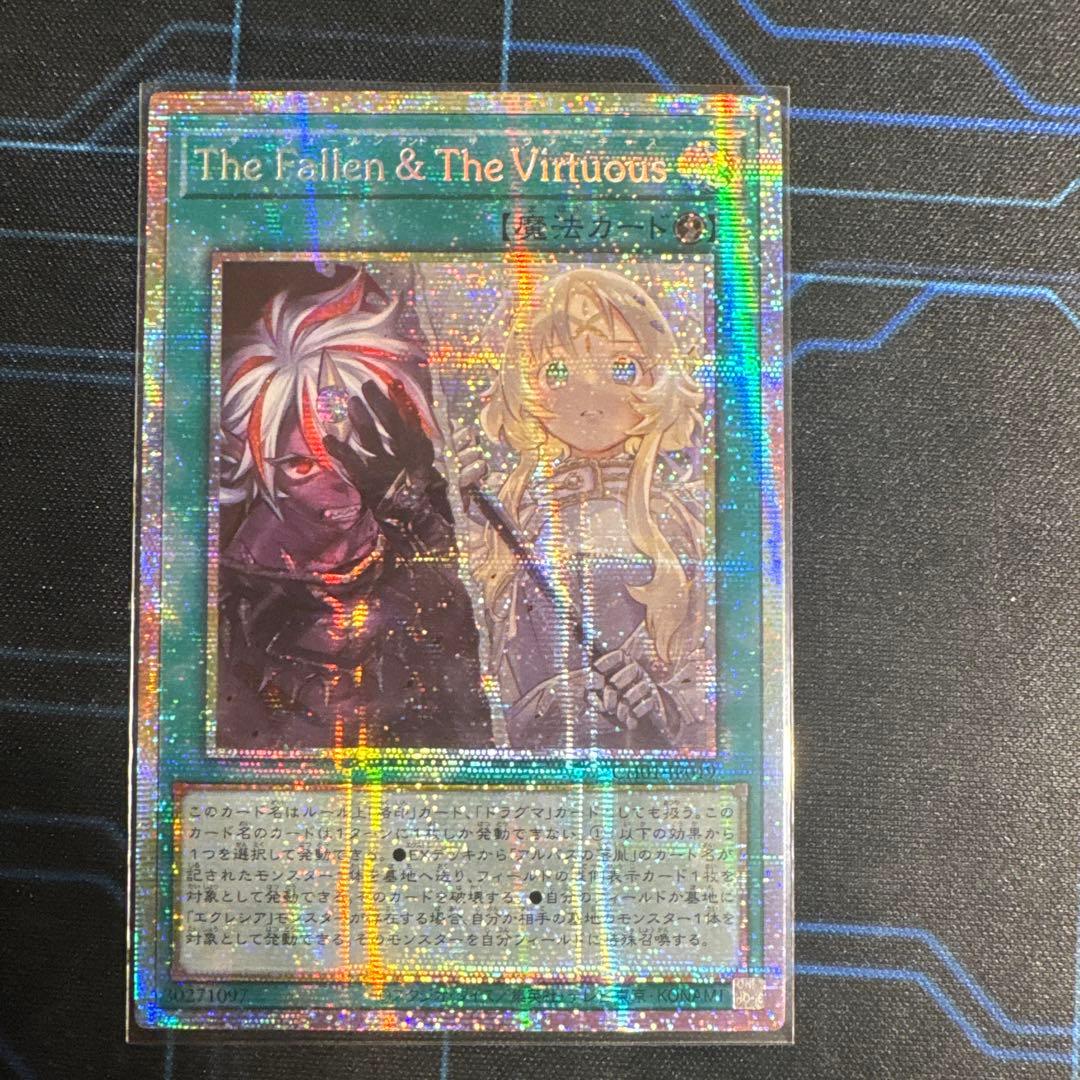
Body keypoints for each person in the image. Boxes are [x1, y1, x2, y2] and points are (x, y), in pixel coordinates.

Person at [215, 267, 492, 751]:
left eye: (355, 458)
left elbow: (463, 691)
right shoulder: (239, 597)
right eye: (302, 466)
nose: (340, 487)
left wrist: (415, 511)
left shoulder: (417, 536)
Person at [457, 267, 715, 751]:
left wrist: (658, 703)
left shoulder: (679, 520)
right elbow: (493, 658)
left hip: (644, 759)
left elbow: (710, 668)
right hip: (538, 755)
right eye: (556, 371)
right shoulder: (513, 517)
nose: (589, 396)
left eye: (623, 368)